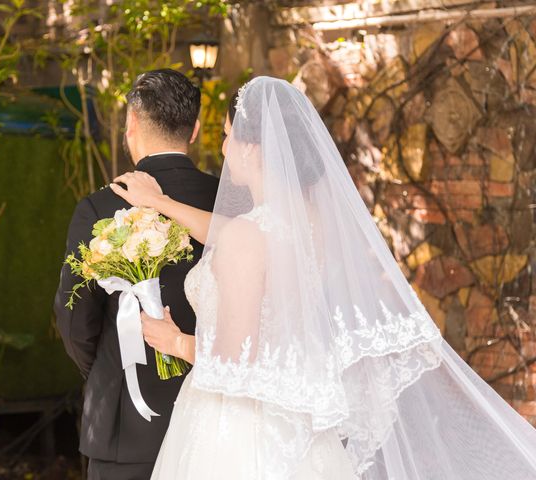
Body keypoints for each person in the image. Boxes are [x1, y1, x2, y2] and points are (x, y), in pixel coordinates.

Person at [110, 76, 536, 479]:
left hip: (236, 432)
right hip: (298, 425)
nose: (222, 148)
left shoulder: (248, 235)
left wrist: (175, 341)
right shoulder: (309, 224)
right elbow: (228, 233)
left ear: (254, 149)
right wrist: (162, 203)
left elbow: (236, 361)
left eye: (227, 136)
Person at [54, 69, 219, 480]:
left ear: (131, 125)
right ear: (195, 130)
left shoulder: (98, 207)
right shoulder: (233, 204)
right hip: (220, 422)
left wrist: (110, 368)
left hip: (125, 423)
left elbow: (74, 320)